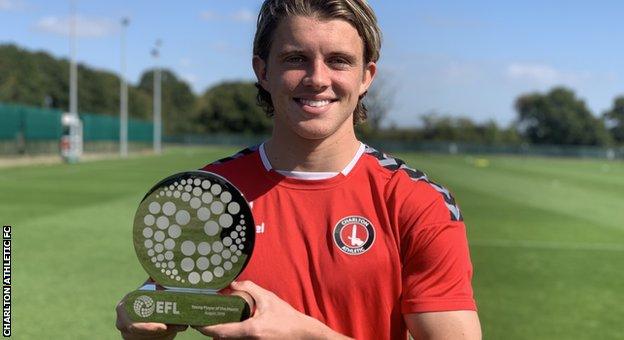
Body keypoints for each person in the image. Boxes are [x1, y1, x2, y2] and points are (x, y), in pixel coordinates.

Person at [116, 0, 481, 338]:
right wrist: (143, 316)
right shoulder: (212, 192)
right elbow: (166, 294)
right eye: (295, 59)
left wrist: (307, 335)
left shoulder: (417, 202)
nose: (317, 78)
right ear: (263, 70)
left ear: (366, 76)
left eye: (339, 60)